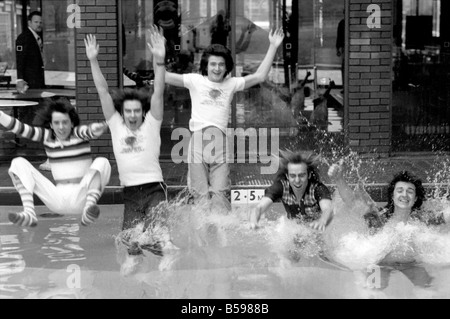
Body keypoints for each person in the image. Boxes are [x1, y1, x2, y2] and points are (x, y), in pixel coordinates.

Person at [165, 27, 285, 211]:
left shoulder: (231, 84)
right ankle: (201, 235)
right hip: (198, 143)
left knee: (221, 194)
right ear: (206, 65)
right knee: (200, 196)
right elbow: (164, 76)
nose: (217, 68)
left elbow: (260, 76)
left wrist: (273, 46)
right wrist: (158, 57)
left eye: (221, 64)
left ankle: (221, 236)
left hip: (220, 145)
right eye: (213, 64)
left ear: (227, 67)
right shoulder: (195, 81)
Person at [85, 27, 172, 256]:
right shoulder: (115, 125)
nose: (132, 115)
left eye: (136, 111)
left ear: (142, 112)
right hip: (131, 194)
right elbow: (103, 92)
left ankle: (168, 274)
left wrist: (160, 61)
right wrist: (93, 60)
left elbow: (159, 92)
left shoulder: (151, 123)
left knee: (160, 237)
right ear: (122, 113)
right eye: (128, 111)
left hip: (154, 189)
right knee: (132, 246)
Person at [328, 162, 448, 290]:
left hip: (411, 264)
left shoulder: (421, 219)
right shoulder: (379, 219)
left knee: (428, 289)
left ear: (415, 198)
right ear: (393, 195)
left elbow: (445, 216)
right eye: (400, 191)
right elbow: (352, 202)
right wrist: (339, 179)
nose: (404, 195)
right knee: (374, 292)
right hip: (380, 264)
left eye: (410, 191)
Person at [0, 98, 111, 228]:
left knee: (102, 162)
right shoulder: (47, 137)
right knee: (18, 163)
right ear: (51, 125)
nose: (61, 127)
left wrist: (100, 126)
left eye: (65, 122)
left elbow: (90, 130)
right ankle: (29, 213)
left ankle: (89, 210)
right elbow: (19, 128)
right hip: (57, 200)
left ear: (72, 123)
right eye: (57, 123)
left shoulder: (79, 134)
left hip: (82, 198)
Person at [249, 150, 334, 231]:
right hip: (295, 228)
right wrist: (254, 221)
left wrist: (322, 221)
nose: (297, 180)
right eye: (293, 176)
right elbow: (258, 208)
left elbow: (328, 209)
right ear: (287, 176)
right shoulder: (281, 187)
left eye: (301, 175)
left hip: (316, 228)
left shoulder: (318, 188)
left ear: (308, 175)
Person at [16, 11, 52, 172]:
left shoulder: (37, 38)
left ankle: (32, 141)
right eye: (36, 22)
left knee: (37, 114)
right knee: (32, 114)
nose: (39, 25)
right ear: (29, 22)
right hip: (31, 86)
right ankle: (28, 142)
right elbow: (20, 61)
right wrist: (20, 80)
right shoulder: (24, 37)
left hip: (39, 84)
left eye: (41, 22)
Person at [336, 15, 345, 94]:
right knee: (344, 67)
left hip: (344, 47)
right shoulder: (343, 23)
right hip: (345, 47)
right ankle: (345, 86)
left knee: (344, 67)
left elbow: (339, 37)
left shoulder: (342, 23)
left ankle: (345, 86)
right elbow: (339, 37)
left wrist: (338, 48)